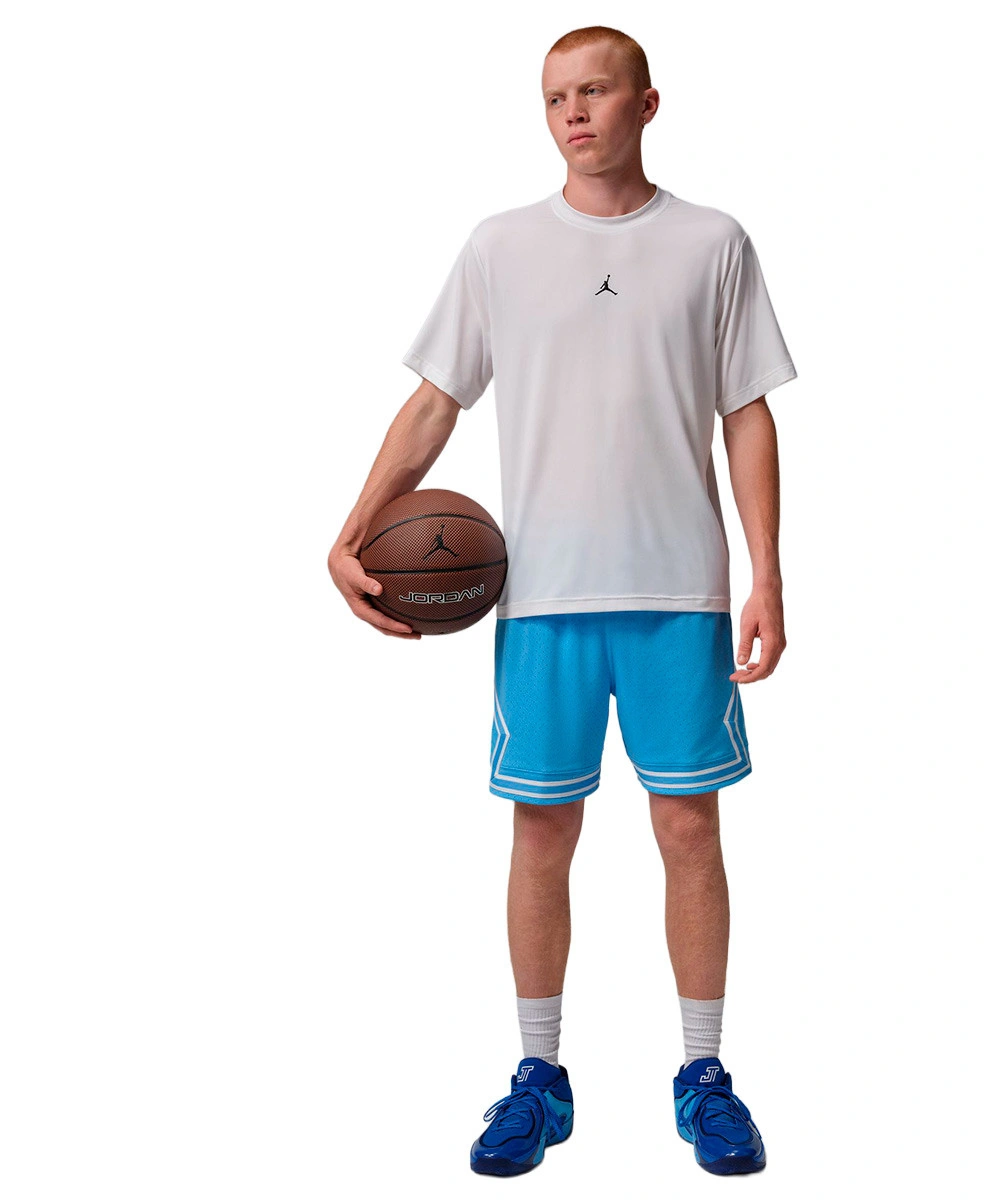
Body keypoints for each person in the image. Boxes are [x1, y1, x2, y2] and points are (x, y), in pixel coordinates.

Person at [328, 25, 796, 1177]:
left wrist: (769, 572)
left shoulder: (713, 242)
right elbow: (435, 404)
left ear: (647, 103)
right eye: (553, 97)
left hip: (679, 591)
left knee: (689, 829)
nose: (573, 112)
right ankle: (538, 1077)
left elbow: (746, 412)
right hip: (541, 596)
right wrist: (350, 529)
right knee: (542, 831)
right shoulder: (501, 246)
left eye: (594, 91)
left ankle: (704, 1075)